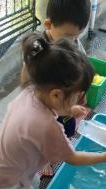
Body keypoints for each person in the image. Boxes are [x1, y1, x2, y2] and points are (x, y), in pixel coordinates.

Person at [0, 33, 106, 189]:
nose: (85, 101)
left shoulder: (31, 90)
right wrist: (104, 157)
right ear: (55, 94)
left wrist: (70, 108)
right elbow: (73, 158)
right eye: (79, 96)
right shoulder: (47, 126)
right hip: (6, 179)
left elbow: (48, 108)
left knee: (33, 185)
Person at [21, 0, 91, 137]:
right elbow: (26, 74)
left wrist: (81, 91)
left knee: (66, 130)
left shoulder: (73, 41)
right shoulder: (38, 46)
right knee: (49, 136)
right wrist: (29, 95)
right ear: (48, 24)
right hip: (47, 104)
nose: (73, 40)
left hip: (65, 100)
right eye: (68, 36)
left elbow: (81, 65)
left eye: (78, 34)